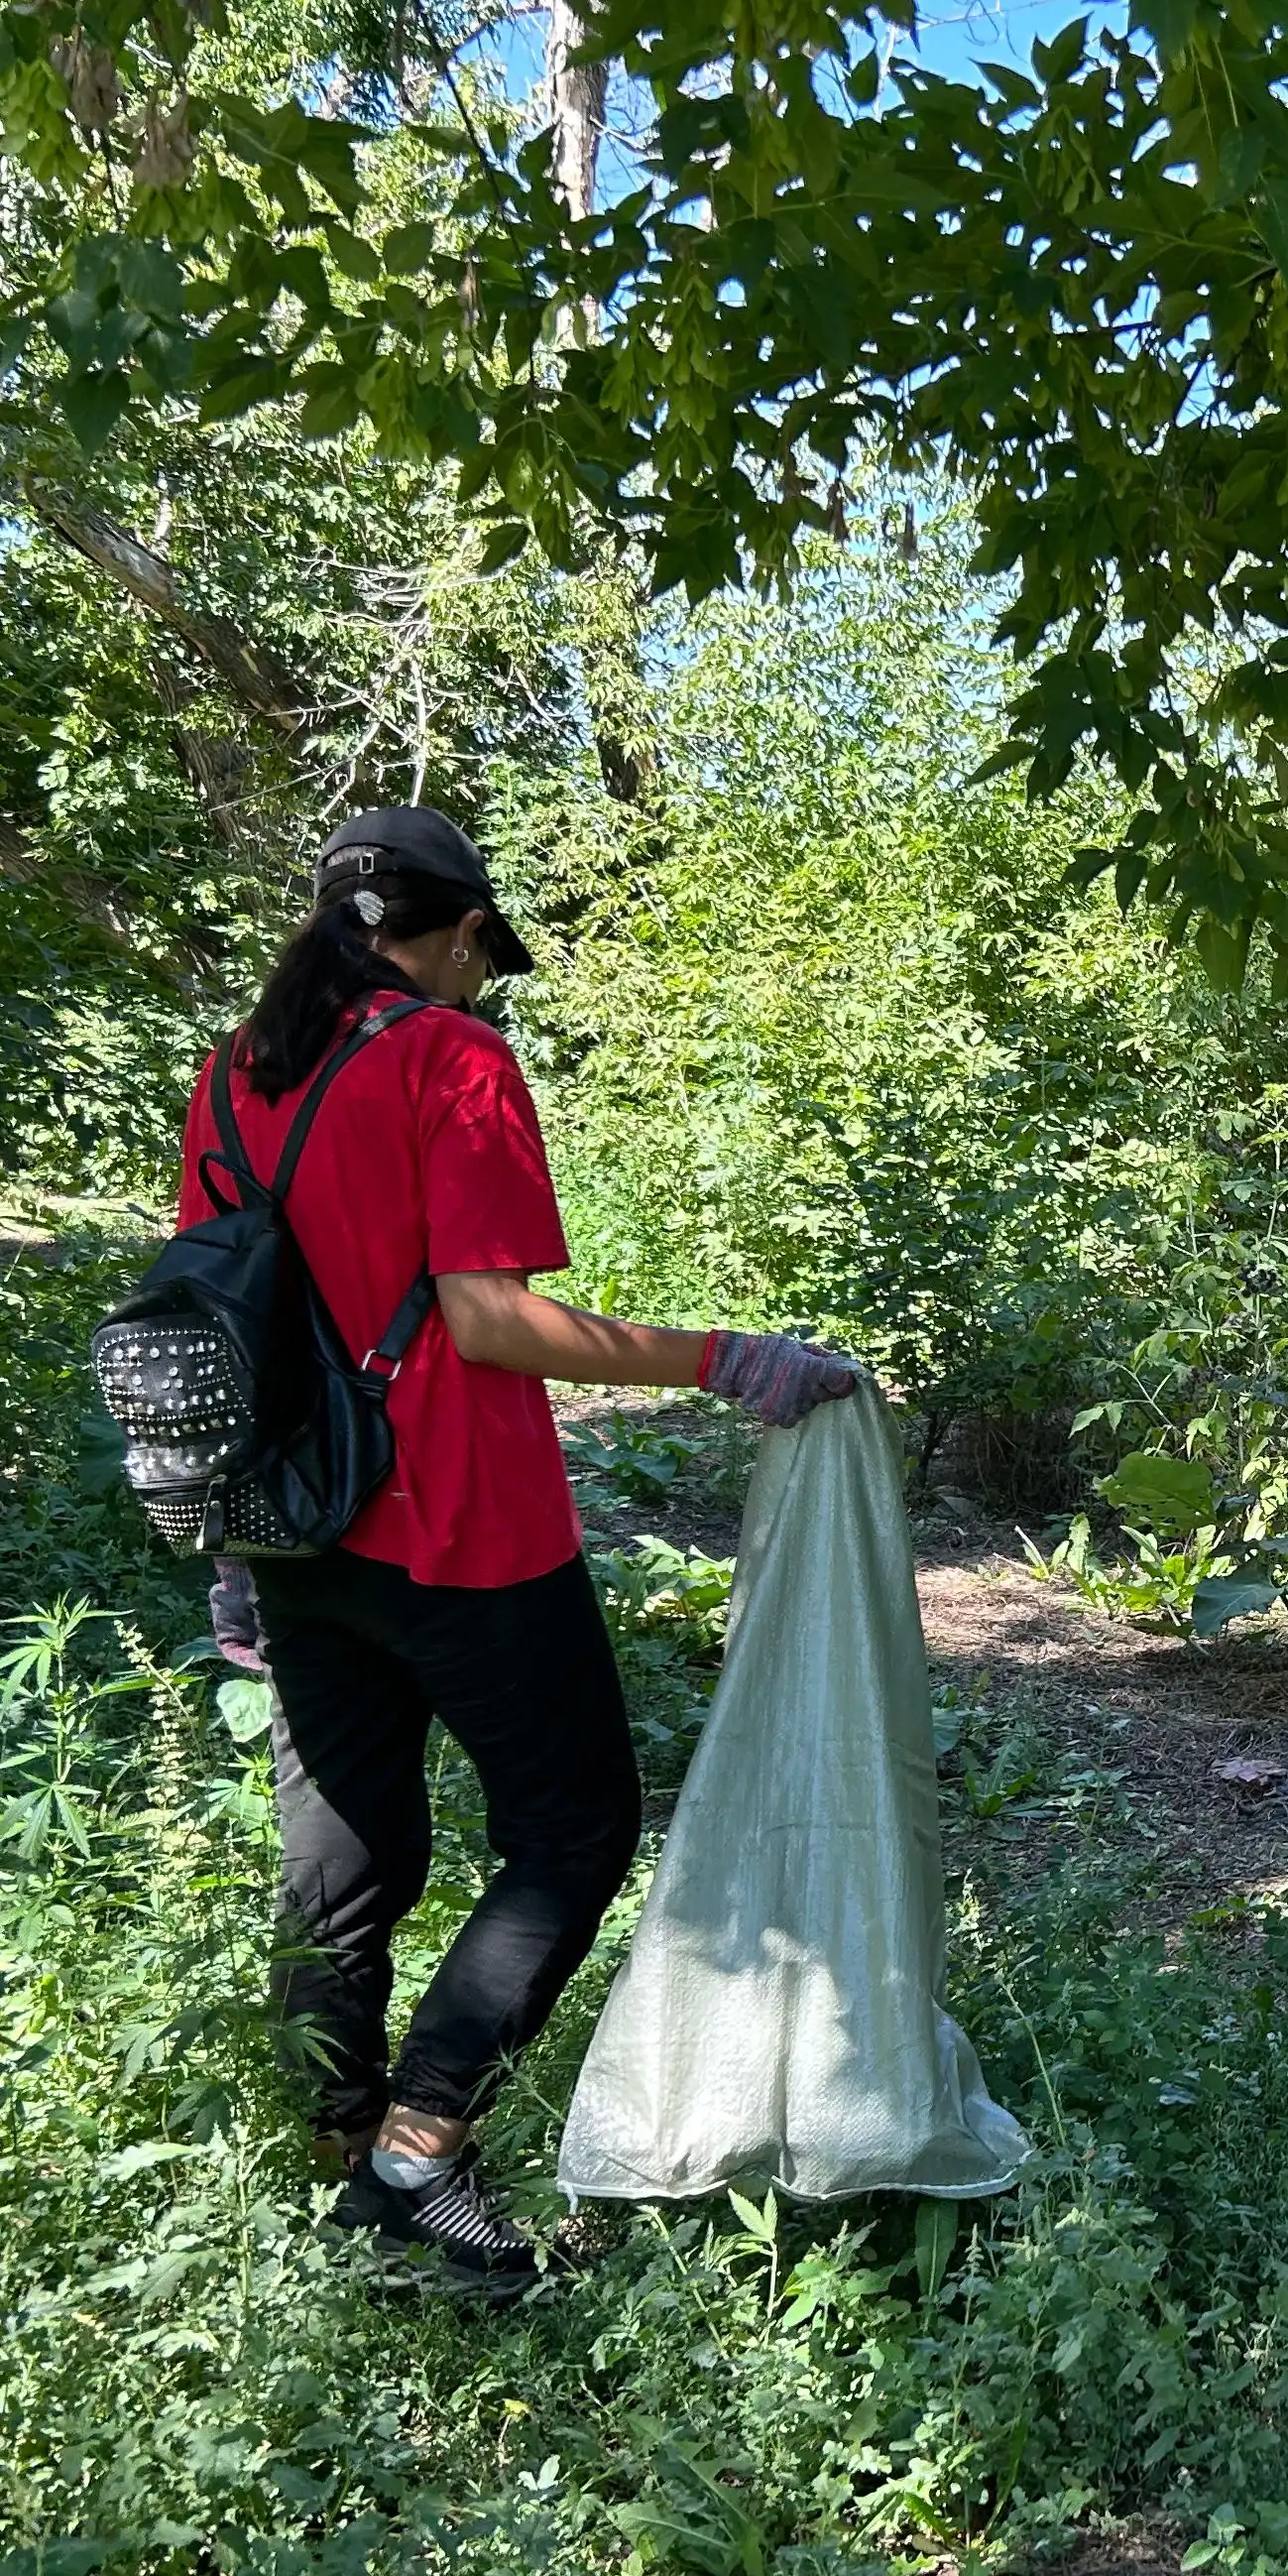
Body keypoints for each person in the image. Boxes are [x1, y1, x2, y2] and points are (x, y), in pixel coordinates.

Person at [178, 805, 863, 2282]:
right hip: (457, 1526)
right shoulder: (454, 1055)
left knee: (348, 1847)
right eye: (488, 954)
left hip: (294, 1528)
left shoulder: (239, 1074)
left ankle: (329, 2135)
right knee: (572, 1830)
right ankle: (418, 2157)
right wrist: (726, 1358)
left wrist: (227, 1535)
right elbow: (486, 1319)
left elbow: (210, 1318)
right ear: (468, 931)